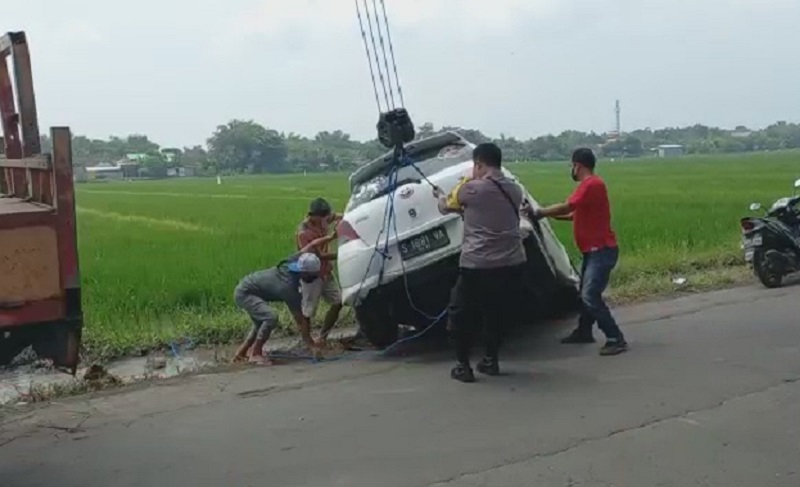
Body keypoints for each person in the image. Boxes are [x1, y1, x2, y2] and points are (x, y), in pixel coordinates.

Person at [434, 142, 526, 383]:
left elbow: (446, 205)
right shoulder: (515, 189)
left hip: (478, 265)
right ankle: (490, 360)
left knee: (460, 313)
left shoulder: (471, 189)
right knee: (495, 312)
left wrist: (445, 193)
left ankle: (463, 366)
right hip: (511, 263)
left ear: (478, 164)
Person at [530, 148, 628, 356]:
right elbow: (575, 214)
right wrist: (553, 216)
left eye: (572, 166)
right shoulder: (592, 186)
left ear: (578, 165)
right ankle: (584, 331)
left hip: (601, 250)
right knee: (585, 292)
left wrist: (540, 212)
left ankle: (615, 338)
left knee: (590, 294)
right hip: (594, 250)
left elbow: (568, 206)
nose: (571, 170)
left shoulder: (591, 184)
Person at [232, 235, 335, 365]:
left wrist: (332, 237)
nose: (314, 278)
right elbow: (300, 319)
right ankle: (256, 353)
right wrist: (311, 345)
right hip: (245, 293)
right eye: (313, 276)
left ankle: (241, 353)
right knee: (270, 317)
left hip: (248, 287)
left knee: (259, 323)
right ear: (304, 273)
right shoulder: (288, 286)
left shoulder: (294, 260)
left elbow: (312, 245)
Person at [296, 198, 344, 343]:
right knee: (308, 311)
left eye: (327, 217)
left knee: (338, 302)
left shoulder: (324, 219)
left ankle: (323, 336)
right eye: (323, 217)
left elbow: (338, 216)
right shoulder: (303, 233)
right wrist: (343, 253)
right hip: (312, 275)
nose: (326, 220)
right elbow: (319, 256)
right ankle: (308, 341)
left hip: (326, 273)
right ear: (314, 216)